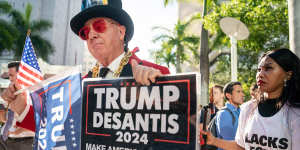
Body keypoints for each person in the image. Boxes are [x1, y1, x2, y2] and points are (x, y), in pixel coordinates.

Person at [1, 0, 170, 132]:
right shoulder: (79, 84)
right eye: (85, 32)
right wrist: (21, 106)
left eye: (99, 26)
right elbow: (57, 129)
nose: (92, 34)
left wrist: (158, 88)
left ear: (121, 32)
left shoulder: (156, 73)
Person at [201, 48, 300, 150]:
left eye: (268, 68)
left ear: (288, 74)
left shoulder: (295, 114)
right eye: (259, 69)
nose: (260, 74)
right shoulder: (248, 108)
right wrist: (213, 141)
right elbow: (241, 146)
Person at [0, 61, 34, 150]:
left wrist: (14, 133)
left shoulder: (30, 94)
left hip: (22, 141)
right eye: (9, 76)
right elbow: (7, 120)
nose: (10, 79)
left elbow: (33, 122)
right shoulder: (12, 92)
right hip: (4, 139)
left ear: (21, 75)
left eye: (12, 75)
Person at [214, 81, 244, 150]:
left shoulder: (241, 111)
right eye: (238, 92)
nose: (242, 94)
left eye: (242, 92)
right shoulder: (224, 114)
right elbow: (230, 143)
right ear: (228, 95)